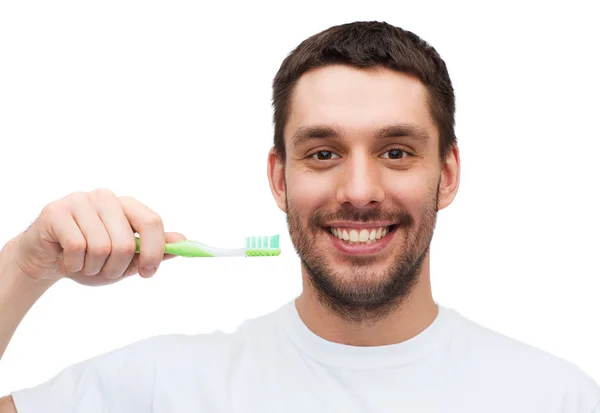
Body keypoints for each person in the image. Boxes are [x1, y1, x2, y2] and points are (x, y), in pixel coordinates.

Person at [0, 20, 598, 413]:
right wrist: (27, 265)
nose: (359, 190)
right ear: (279, 178)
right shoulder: (162, 388)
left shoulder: (554, 397)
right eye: (323, 153)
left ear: (447, 174)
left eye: (395, 151)